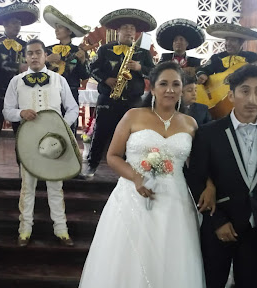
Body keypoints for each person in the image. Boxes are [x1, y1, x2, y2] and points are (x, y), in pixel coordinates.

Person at [79, 61, 206, 287]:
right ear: (153, 88)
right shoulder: (133, 116)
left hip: (174, 201)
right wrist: (137, 177)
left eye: (176, 84)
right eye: (163, 84)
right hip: (132, 196)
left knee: (170, 258)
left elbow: (198, 165)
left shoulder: (190, 124)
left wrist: (211, 184)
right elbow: (113, 156)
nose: (170, 89)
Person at [187, 64, 257, 288]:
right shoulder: (209, 133)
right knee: (213, 280)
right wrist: (217, 220)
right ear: (231, 95)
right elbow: (196, 178)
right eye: (245, 91)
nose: (252, 98)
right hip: (220, 224)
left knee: (252, 282)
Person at [3, 39, 79, 247]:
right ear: (25, 57)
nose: (34, 57)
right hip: (28, 142)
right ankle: (25, 229)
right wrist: (20, 113)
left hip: (56, 142)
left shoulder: (58, 80)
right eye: (30, 53)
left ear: (45, 55)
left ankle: (61, 229)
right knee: (27, 186)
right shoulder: (16, 81)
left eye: (38, 52)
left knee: (56, 185)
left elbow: (73, 108)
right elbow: (6, 110)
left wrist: (62, 126)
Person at [81, 8, 156, 177]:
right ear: (118, 31)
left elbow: (154, 72)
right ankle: (92, 167)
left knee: (133, 136)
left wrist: (139, 67)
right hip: (108, 98)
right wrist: (106, 79)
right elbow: (91, 68)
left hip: (133, 101)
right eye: (125, 27)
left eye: (132, 28)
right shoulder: (105, 49)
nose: (129, 30)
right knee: (100, 133)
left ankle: (131, 171)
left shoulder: (142, 53)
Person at [0, 2, 39, 175]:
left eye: (19, 23)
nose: (17, 26)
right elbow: (1, 64)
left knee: (22, 131)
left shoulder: (25, 45)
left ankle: (24, 165)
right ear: (5, 24)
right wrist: (20, 66)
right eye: (14, 22)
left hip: (20, 94)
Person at [44, 5, 90, 135]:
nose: (56, 30)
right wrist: (46, 61)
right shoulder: (47, 50)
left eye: (60, 27)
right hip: (50, 91)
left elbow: (85, 75)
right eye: (56, 27)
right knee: (49, 126)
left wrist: (82, 62)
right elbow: (39, 71)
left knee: (69, 128)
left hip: (71, 91)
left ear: (69, 31)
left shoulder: (79, 51)